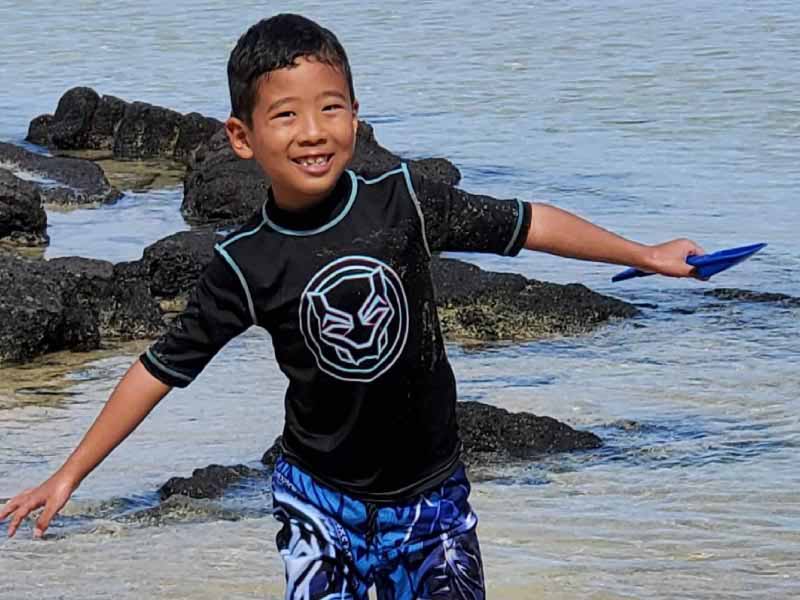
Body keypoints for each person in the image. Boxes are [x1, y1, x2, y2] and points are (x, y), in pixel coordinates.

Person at [0, 13, 703, 600]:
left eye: (330, 107)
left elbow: (527, 225)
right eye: (286, 115)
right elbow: (158, 370)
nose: (312, 131)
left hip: (432, 499)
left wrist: (642, 255)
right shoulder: (245, 262)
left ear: (356, 117)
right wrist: (68, 475)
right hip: (320, 502)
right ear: (242, 137)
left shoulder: (402, 201)